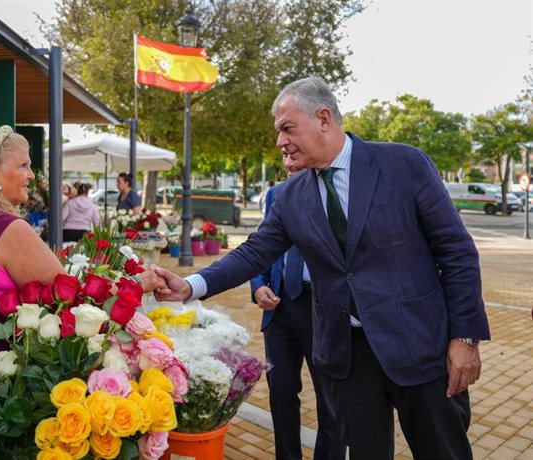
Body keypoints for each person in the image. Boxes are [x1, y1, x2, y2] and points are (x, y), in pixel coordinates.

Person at [154, 77, 490, 459]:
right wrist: (189, 285)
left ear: (324, 118)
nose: (280, 141)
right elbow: (254, 252)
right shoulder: (290, 197)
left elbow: (457, 252)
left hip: (421, 347)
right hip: (348, 358)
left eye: (287, 128)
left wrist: (465, 339)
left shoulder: (403, 164)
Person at [0, 126, 166, 353]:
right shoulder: (9, 229)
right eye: (23, 166)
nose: (31, 175)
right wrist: (136, 283)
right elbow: (75, 298)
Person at [250, 154, 345, 460]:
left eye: (296, 159)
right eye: (284, 158)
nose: (289, 165)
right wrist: (258, 285)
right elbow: (262, 245)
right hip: (279, 310)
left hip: (323, 311)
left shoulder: (335, 194)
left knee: (331, 400)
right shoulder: (277, 194)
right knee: (280, 393)